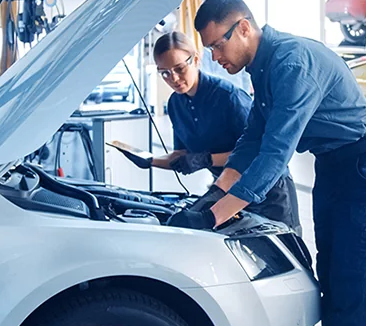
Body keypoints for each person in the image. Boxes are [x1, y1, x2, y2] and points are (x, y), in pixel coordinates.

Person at [170, 0, 366, 326]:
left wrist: (216, 214)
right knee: (330, 274)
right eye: (208, 51)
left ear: (243, 28)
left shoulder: (291, 64)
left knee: (351, 282)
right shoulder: (263, 66)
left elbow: (277, 151)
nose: (214, 57)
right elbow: (253, 137)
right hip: (333, 165)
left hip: (363, 166)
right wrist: (213, 195)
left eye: (217, 46)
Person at [117, 31, 300, 233]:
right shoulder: (176, 104)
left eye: (179, 68)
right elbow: (183, 155)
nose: (174, 78)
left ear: (195, 59)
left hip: (267, 189)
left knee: (282, 250)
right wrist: (150, 161)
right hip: (223, 189)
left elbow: (257, 152)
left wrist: (206, 159)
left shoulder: (228, 97)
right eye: (165, 73)